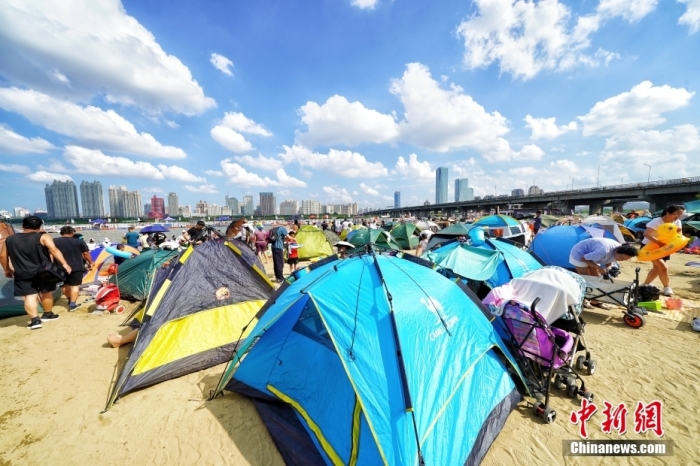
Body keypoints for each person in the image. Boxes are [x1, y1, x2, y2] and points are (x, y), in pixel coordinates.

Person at [0, 216, 72, 329]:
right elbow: (54, 250)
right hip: (43, 271)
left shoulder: (10, 239)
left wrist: (7, 270)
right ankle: (48, 314)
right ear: (39, 226)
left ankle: (35, 321)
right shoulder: (43, 236)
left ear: (23, 225)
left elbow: (3, 255)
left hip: (22, 272)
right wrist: (64, 264)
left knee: (30, 296)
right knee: (46, 292)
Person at [569, 237, 638, 308]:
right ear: (616, 251)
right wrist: (599, 268)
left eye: (624, 260)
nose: (621, 260)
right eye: (621, 258)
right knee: (586, 279)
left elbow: (609, 260)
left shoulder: (621, 250)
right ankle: (584, 300)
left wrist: (608, 268)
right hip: (579, 254)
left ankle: (595, 300)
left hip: (593, 254)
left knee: (596, 278)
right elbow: (583, 258)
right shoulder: (603, 251)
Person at [642, 205, 685, 296]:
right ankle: (667, 287)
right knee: (663, 268)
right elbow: (646, 234)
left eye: (680, 215)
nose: (677, 216)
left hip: (665, 247)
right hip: (649, 246)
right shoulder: (656, 221)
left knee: (657, 269)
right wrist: (659, 243)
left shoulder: (677, 222)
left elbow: (679, 236)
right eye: (675, 214)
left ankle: (645, 284)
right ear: (667, 212)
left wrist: (678, 234)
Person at [54, 226, 93, 312]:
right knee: (75, 286)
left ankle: (69, 300)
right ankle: (72, 305)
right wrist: (91, 262)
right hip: (77, 267)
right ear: (72, 233)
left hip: (60, 267)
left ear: (61, 233)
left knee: (65, 285)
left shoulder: (54, 241)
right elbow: (86, 253)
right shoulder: (79, 241)